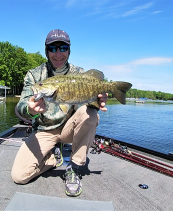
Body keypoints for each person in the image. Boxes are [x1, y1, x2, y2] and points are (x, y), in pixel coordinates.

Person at [11, 29, 108, 197]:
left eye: (63, 48)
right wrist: (30, 110)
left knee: (90, 114)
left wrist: (98, 100)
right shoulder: (35, 75)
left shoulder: (79, 74)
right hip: (43, 131)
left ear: (69, 50)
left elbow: (90, 104)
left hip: (68, 130)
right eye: (52, 48)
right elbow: (20, 107)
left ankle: (74, 167)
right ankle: (52, 158)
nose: (58, 54)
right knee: (19, 176)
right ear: (46, 50)